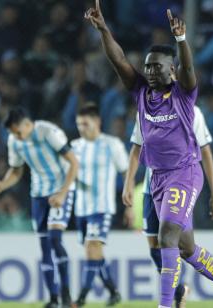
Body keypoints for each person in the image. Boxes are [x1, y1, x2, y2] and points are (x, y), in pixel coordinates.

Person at [85, 1, 213, 307]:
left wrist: (182, 41)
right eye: (147, 66)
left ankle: (165, 305)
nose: (149, 71)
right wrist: (104, 30)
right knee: (186, 248)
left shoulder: (183, 95)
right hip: (158, 178)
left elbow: (189, 68)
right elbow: (118, 59)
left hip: (185, 173)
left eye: (156, 66)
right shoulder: (141, 93)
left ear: (171, 70)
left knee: (167, 236)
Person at [123, 105, 213, 308]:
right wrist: (129, 183)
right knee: (155, 248)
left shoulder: (191, 111)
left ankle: (166, 303)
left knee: (176, 244)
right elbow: (136, 147)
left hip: (179, 184)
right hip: (152, 188)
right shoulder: (145, 111)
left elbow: (206, 151)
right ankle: (180, 291)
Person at [0, 107, 78, 308]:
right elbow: (17, 171)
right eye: (12, 133)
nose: (16, 137)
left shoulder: (48, 132)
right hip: (38, 194)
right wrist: (1, 185)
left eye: (18, 132)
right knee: (44, 246)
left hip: (61, 190)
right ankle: (53, 299)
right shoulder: (14, 141)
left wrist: (63, 192)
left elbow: (73, 161)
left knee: (55, 238)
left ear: (28, 124)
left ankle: (66, 295)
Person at [71, 104, 129, 307]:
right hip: (81, 209)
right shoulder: (75, 146)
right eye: (79, 124)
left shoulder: (111, 144)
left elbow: (126, 171)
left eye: (85, 123)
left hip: (102, 207)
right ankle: (113, 292)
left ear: (97, 122)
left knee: (92, 248)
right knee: (94, 253)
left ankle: (81, 298)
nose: (81, 128)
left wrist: (129, 205)